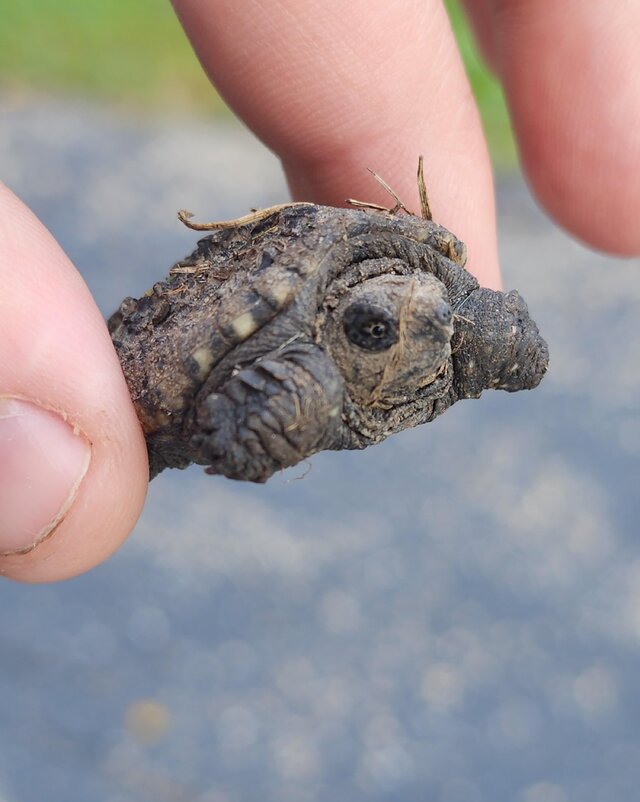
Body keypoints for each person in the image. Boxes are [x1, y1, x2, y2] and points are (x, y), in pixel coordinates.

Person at [1, 0, 638, 583]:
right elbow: (243, 430)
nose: (417, 319)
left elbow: (501, 342)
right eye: (372, 327)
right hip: (187, 348)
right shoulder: (312, 376)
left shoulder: (453, 312)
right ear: (343, 314)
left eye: (435, 315)